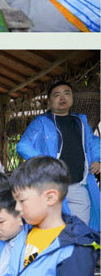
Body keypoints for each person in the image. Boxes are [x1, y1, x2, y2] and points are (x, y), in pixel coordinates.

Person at [17, 80, 100, 229]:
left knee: (81, 230)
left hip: (78, 184)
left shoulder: (80, 121)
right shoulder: (41, 122)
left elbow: (93, 141)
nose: (62, 98)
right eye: (57, 95)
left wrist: (97, 159)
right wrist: (46, 162)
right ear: (49, 101)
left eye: (66, 94)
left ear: (72, 98)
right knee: (55, 230)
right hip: (51, 186)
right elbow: (23, 146)